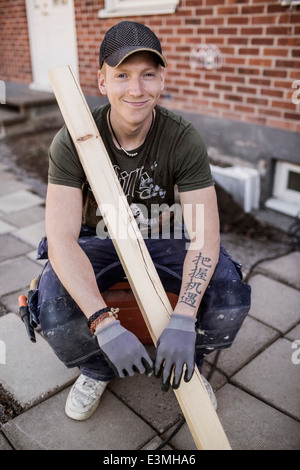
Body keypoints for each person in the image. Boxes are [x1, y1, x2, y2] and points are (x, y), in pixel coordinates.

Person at [29, 21, 251, 421]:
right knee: (53, 308)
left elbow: (205, 235)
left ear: (162, 78)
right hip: (96, 238)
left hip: (163, 236)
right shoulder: (75, 138)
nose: (137, 89)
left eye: (148, 74)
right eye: (123, 75)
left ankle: (191, 361)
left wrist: (184, 316)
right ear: (101, 80)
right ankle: (96, 368)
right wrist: (102, 321)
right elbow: (60, 238)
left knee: (229, 294)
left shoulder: (182, 137)